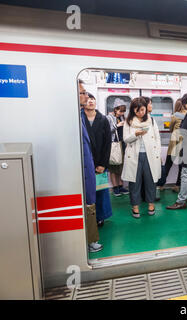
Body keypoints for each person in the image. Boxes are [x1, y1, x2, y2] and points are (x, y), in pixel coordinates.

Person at [122, 97, 161, 218]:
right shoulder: (128, 122)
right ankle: (135, 206)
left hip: (150, 156)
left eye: (142, 109)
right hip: (134, 156)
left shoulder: (152, 120)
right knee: (134, 182)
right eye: (137, 110)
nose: (140, 112)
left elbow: (157, 138)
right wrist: (136, 134)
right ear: (133, 110)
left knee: (151, 181)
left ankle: (151, 204)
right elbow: (125, 139)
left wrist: (158, 154)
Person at [78, 81, 102, 253]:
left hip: (88, 165)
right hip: (82, 168)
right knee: (87, 204)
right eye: (83, 93)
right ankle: (90, 241)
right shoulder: (77, 116)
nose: (87, 97)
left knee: (90, 202)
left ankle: (91, 239)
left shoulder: (80, 116)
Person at [83, 93, 113, 228]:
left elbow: (108, 143)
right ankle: (86, 217)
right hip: (84, 162)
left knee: (100, 192)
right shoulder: (79, 118)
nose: (90, 101)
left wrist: (103, 164)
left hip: (99, 162)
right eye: (88, 99)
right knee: (85, 192)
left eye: (93, 99)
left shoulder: (103, 119)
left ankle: (100, 216)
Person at [159, 99, 186, 192]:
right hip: (184, 142)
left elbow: (170, 128)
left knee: (168, 164)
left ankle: (161, 184)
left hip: (175, 141)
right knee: (181, 166)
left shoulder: (176, 115)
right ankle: (178, 186)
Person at [106, 103, 128, 197]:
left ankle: (120, 185)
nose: (121, 113)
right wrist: (117, 125)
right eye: (120, 111)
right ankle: (115, 187)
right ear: (115, 109)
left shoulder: (123, 118)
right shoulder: (109, 118)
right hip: (113, 144)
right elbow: (107, 131)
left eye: (123, 111)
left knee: (121, 167)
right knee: (113, 167)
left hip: (122, 143)